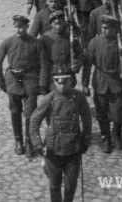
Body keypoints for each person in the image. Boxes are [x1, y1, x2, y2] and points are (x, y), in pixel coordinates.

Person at [29, 66, 91, 202]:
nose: (62, 85)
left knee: (71, 185)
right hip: (53, 149)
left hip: (73, 149)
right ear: (54, 82)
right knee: (55, 184)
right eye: (58, 82)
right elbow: (34, 121)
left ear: (71, 81)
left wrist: (85, 141)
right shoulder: (49, 99)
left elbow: (87, 119)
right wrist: (38, 144)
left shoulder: (78, 97)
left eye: (65, 82)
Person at [0, 15, 51, 157]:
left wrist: (42, 84)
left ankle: (29, 141)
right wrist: (1, 82)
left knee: (30, 113)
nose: (19, 30)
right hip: (13, 81)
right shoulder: (8, 42)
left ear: (26, 27)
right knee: (14, 111)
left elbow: (44, 64)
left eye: (22, 27)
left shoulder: (36, 43)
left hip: (30, 81)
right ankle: (18, 141)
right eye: (17, 27)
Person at [82, 15, 122, 152]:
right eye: (103, 28)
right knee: (101, 113)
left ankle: (117, 134)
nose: (104, 31)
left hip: (116, 82)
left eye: (107, 28)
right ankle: (106, 137)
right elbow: (87, 64)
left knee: (118, 112)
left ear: (114, 29)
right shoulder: (95, 42)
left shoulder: (121, 43)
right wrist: (85, 84)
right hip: (100, 81)